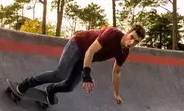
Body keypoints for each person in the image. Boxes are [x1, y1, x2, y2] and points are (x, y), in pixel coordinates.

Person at [15, 24, 146, 105]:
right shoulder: (112, 33)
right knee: (60, 74)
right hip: (78, 44)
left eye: (136, 42)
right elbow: (90, 51)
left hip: (85, 58)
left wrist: (116, 94)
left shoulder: (124, 52)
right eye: (132, 37)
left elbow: (117, 72)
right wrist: (87, 75)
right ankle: (27, 83)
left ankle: (51, 89)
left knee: (69, 86)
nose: (132, 42)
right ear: (128, 32)